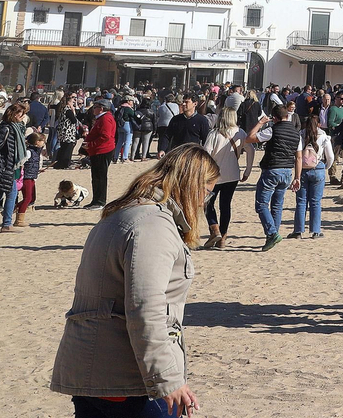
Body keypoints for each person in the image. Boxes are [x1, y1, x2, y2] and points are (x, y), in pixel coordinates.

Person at [50, 144, 218, 418]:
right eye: (207, 191)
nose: (203, 202)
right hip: (128, 378)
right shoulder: (153, 225)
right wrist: (166, 378)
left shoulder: (122, 213)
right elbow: (145, 308)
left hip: (91, 368)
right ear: (191, 184)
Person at [248, 100, 302, 252]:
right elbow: (298, 157)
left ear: (275, 118)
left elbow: (250, 138)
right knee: (277, 206)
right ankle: (273, 234)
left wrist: (260, 123)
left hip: (272, 169)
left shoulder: (272, 130)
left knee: (261, 204)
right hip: (287, 171)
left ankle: (272, 234)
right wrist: (297, 177)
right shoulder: (296, 133)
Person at [200, 109, 246, 250]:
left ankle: (215, 229)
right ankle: (223, 238)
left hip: (214, 175)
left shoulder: (214, 134)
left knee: (207, 203)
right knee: (225, 205)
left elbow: (206, 154)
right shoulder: (240, 133)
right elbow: (251, 150)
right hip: (232, 174)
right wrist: (248, 170)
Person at [289, 112, 333, 240]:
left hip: (302, 169)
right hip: (318, 168)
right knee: (315, 201)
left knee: (301, 201)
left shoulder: (301, 135)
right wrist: (325, 167)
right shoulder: (323, 136)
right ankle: (315, 231)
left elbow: (296, 154)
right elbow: (330, 156)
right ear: (318, 124)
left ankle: (298, 231)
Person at [0, 101, 28, 233]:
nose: (22, 117)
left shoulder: (16, 129)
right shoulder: (5, 129)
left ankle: (7, 223)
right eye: (21, 114)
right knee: (10, 193)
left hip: (10, 167)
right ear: (14, 114)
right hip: (2, 166)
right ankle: (7, 224)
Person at [83, 99, 117, 208]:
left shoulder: (106, 118)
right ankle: (95, 200)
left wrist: (91, 144)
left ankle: (100, 201)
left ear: (101, 108)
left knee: (100, 177)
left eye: (95, 107)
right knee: (96, 177)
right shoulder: (101, 118)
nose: (93, 109)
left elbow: (105, 136)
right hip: (97, 151)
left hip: (102, 150)